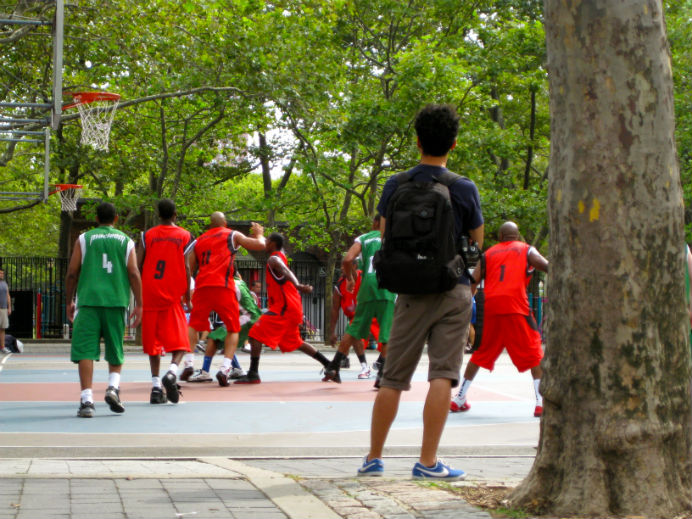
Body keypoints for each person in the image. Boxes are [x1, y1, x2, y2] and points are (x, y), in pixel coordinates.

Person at [359, 104, 483, 480]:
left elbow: (385, 235)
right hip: (452, 289)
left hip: (410, 292)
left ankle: (373, 458)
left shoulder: (396, 184)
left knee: (393, 378)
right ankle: (427, 462)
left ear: (417, 141)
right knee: (442, 374)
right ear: (454, 144)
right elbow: (476, 243)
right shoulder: (463, 187)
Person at [450, 221, 548, 417]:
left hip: (492, 308)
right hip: (516, 306)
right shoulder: (526, 249)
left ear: (500, 237)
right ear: (517, 235)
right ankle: (540, 402)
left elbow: (473, 280)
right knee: (534, 352)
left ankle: (459, 397)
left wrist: (466, 306)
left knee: (481, 352)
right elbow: (544, 265)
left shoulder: (488, 254)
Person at [65, 202, 143, 418]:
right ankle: (113, 388)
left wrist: (69, 301)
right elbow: (134, 273)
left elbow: (72, 272)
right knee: (115, 348)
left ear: (96, 219)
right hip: (116, 302)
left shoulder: (84, 239)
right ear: (116, 218)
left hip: (88, 303)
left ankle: (87, 400)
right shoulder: (126, 241)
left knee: (85, 351)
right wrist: (139, 303)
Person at [234, 232, 331, 384]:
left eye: (267, 241)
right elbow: (283, 267)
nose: (265, 243)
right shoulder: (280, 255)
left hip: (284, 308)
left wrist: (298, 285)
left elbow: (286, 271)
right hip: (292, 307)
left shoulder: (274, 259)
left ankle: (253, 373)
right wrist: (258, 234)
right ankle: (329, 365)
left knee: (255, 333)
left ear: (272, 243)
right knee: (296, 342)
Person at [186, 212, 266, 386]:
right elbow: (260, 245)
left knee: (195, 326)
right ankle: (225, 368)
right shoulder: (232, 234)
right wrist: (259, 234)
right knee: (231, 330)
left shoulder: (199, 240)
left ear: (210, 224)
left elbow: (189, 269)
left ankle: (189, 363)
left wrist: (186, 295)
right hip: (223, 286)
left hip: (202, 286)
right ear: (225, 222)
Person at [323, 215, 395, 383]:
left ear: (375, 223)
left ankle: (334, 365)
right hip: (387, 286)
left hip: (367, 286)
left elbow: (348, 259)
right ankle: (382, 374)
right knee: (388, 332)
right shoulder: (394, 238)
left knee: (354, 328)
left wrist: (350, 278)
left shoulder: (363, 238)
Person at [137, 199, 194, 405]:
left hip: (150, 293)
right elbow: (187, 267)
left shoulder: (147, 235)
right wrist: (187, 296)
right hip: (172, 295)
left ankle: (155, 388)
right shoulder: (185, 235)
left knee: (153, 344)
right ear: (175, 214)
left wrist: (137, 294)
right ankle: (171, 373)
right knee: (182, 342)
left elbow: (137, 265)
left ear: (158, 215)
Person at [186, 273, 261, 382]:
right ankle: (236, 368)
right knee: (224, 339)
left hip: (247, 317)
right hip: (250, 316)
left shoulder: (229, 285)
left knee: (214, 338)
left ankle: (206, 372)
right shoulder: (239, 282)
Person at [0, 269, 11, 354]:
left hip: (4, 308)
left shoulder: (5, 284)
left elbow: (8, 295)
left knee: (3, 328)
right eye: (0, 273)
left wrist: (9, 307)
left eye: (2, 273)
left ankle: (2, 347)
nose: (1, 274)